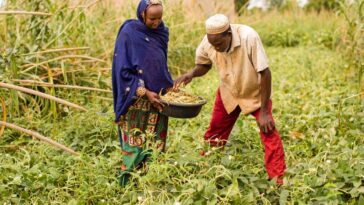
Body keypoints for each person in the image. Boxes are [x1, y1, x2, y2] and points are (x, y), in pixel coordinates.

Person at [175, 14, 286, 184]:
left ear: (229, 34)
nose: (216, 48)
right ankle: (208, 170)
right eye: (212, 44)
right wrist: (191, 73)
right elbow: (204, 64)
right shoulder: (209, 42)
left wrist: (264, 111)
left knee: (268, 130)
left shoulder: (249, 37)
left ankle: (278, 180)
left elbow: (265, 73)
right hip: (229, 92)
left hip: (255, 92)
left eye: (219, 44)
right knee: (215, 133)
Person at [112, 0, 173, 186]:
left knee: (156, 142)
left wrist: (166, 86)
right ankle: (127, 184)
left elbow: (159, 63)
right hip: (137, 98)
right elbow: (122, 70)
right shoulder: (129, 33)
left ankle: (150, 182)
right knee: (135, 142)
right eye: (152, 18)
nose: (156, 22)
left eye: (159, 17)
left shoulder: (162, 32)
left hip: (159, 96)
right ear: (142, 15)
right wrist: (145, 92)